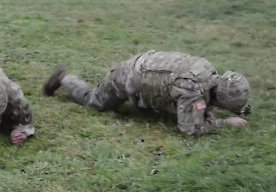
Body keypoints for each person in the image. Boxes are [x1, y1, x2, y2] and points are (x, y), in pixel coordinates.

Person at [43, 50, 251, 135]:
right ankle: (64, 79)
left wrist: (207, 112)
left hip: (143, 64)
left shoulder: (207, 71)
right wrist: (223, 123)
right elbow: (189, 128)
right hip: (127, 77)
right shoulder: (192, 89)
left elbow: (201, 103)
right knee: (94, 102)